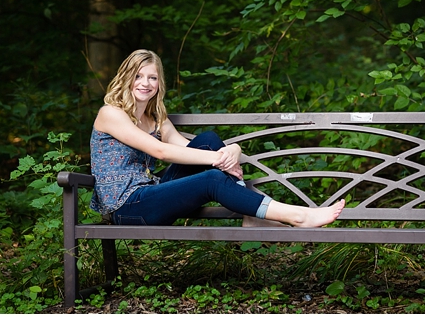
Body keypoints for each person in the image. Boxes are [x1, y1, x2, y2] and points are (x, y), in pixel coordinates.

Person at [90, 49, 345, 227]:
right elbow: (162, 152)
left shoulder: (156, 117)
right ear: (126, 77)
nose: (145, 83)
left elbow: (188, 150)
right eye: (138, 76)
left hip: (151, 195)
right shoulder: (110, 114)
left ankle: (252, 217)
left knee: (208, 138)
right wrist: (220, 159)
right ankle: (297, 216)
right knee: (212, 177)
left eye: (152, 77)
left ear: (159, 82)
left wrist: (232, 149)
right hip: (126, 207)